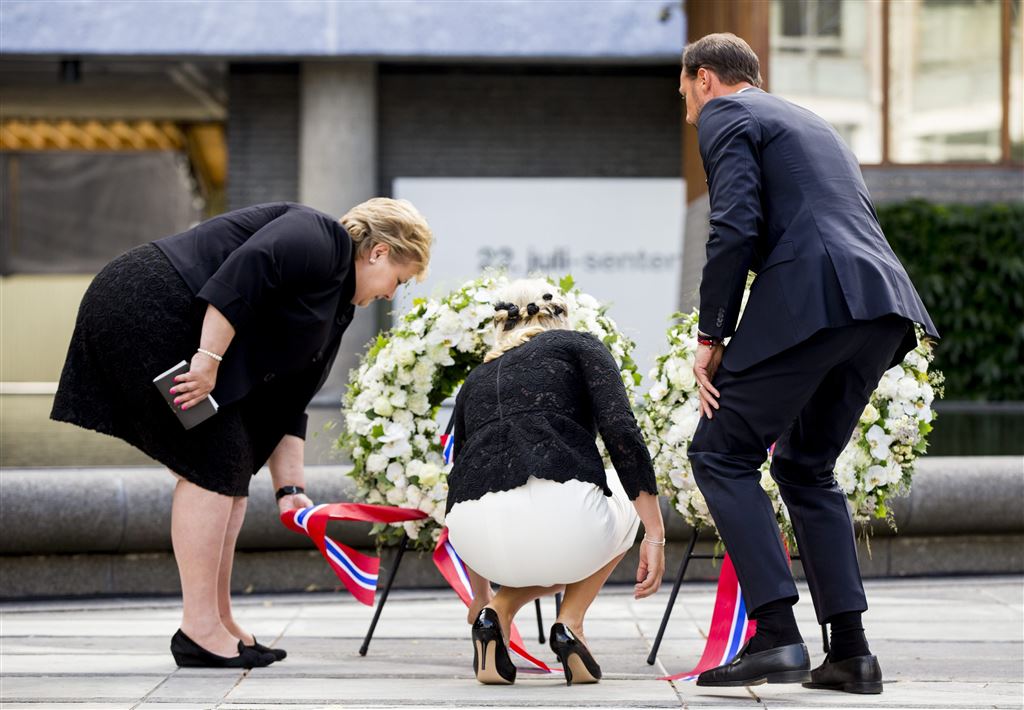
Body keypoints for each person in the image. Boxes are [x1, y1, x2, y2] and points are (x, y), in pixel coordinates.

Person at [51, 199, 433, 668]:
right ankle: (199, 628)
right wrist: (208, 360)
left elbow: (289, 399)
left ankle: (219, 619)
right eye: (400, 279)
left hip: (180, 326)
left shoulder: (337, 305)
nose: (393, 294)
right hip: (145, 305)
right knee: (212, 462)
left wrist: (290, 489)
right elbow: (244, 273)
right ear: (377, 252)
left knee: (229, 465)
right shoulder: (317, 236)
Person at [678, 34, 937, 694]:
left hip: (815, 298)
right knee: (803, 465)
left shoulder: (726, 114)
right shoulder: (807, 119)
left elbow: (734, 223)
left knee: (719, 452)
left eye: (683, 88)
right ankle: (850, 653)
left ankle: (774, 635)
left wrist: (712, 333)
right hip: (882, 306)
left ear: (704, 76)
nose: (685, 103)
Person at [443, 279, 666, 686]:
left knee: (548, 547)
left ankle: (497, 611)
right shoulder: (579, 345)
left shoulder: (474, 380)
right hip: (563, 519)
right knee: (612, 498)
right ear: (561, 313)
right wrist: (655, 532)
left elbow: (460, 479)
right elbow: (621, 432)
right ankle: (571, 623)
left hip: (477, 540)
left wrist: (479, 594)